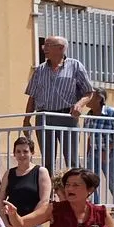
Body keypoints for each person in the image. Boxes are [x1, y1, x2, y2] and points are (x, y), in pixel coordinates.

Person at [24, 35, 94, 172]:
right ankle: (49, 186)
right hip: (44, 117)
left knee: (72, 159)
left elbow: (89, 92)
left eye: (48, 45)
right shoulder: (40, 70)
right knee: (48, 160)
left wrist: (80, 104)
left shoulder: (75, 66)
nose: (44, 48)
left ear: (61, 48)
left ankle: (75, 184)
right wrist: (26, 120)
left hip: (67, 117)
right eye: (44, 45)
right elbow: (32, 96)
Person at [87, 87, 114, 206]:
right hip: (94, 152)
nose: (87, 98)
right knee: (90, 181)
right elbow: (90, 135)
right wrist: (88, 152)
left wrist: (108, 150)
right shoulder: (89, 115)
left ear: (99, 98)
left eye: (91, 95)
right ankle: (94, 206)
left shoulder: (111, 112)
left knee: (113, 182)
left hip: (111, 151)